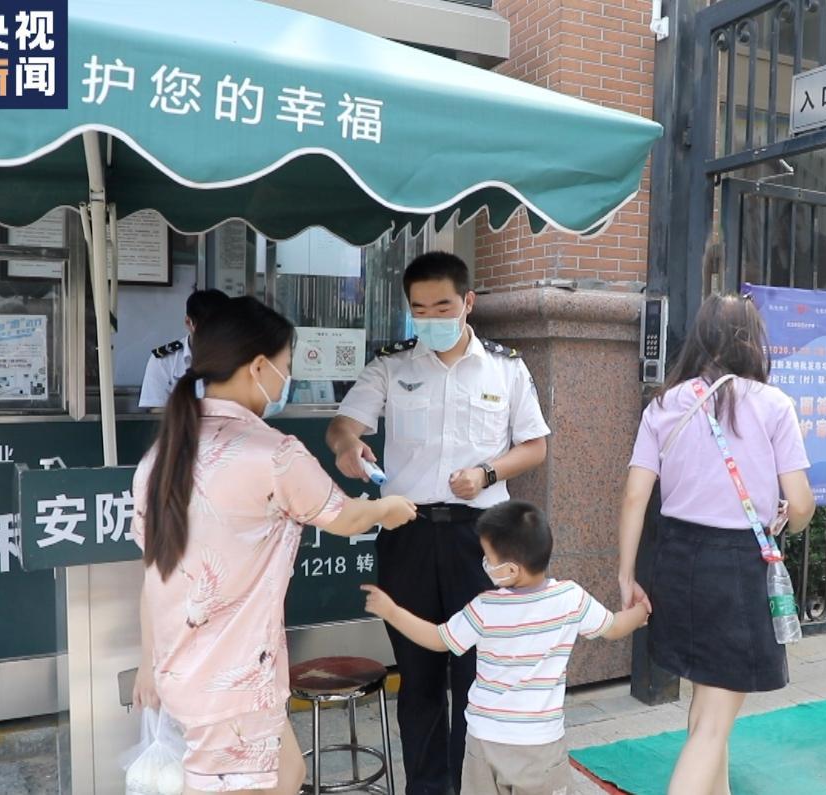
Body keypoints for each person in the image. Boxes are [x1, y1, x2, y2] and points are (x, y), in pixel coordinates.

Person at [129, 296, 418, 795]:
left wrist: (148, 661)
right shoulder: (272, 454)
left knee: (289, 774)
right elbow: (346, 517)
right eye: (286, 366)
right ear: (259, 366)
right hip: (234, 685)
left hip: (185, 670)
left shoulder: (161, 456)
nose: (287, 380)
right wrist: (388, 508)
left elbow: (154, 575)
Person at [327, 252, 551, 795]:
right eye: (420, 309)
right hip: (407, 533)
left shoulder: (505, 367)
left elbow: (535, 446)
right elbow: (343, 425)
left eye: (442, 306)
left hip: (482, 539)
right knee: (419, 674)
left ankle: (471, 785)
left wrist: (487, 472)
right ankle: (426, 788)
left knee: (477, 673)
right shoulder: (393, 365)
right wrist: (348, 446)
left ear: (468, 302)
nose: (430, 318)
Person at [618, 294, 815, 795]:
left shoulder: (664, 404)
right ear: (752, 341)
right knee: (711, 724)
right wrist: (788, 521)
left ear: (700, 339)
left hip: (675, 562)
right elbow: (800, 504)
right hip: (736, 570)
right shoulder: (773, 404)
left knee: (706, 710)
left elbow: (636, 495)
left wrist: (626, 576)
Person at [362, 500, 650, 795]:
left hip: (483, 742)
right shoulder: (570, 598)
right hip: (540, 744)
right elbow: (614, 627)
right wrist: (641, 611)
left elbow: (438, 638)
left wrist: (392, 611)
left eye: (488, 558)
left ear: (512, 569)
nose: (484, 564)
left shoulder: (485, 607)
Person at [139, 288, 232, 409]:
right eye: (207, 328)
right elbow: (156, 411)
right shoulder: (164, 361)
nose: (214, 334)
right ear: (189, 322)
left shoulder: (237, 357)